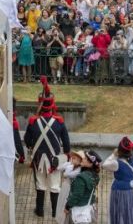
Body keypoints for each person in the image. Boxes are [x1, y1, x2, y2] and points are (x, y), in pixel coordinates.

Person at [24, 77, 71, 218]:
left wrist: (33, 145)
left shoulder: (33, 122)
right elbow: (67, 144)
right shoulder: (59, 122)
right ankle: (55, 212)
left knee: (40, 184)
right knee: (55, 186)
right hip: (54, 159)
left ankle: (39, 211)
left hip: (38, 158)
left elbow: (27, 141)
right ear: (52, 106)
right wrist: (65, 155)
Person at [103, 136, 133, 224]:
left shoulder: (116, 163)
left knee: (122, 213)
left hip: (121, 193)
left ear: (119, 151)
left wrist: (113, 154)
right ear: (130, 150)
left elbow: (104, 165)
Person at [64, 151, 102, 222]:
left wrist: (67, 206)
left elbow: (77, 195)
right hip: (88, 207)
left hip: (78, 210)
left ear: (90, 163)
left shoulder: (81, 177)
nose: (82, 159)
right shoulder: (95, 176)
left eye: (84, 158)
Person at [55, 150, 83, 224]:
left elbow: (66, 174)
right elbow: (59, 168)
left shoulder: (79, 170)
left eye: (76, 158)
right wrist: (68, 163)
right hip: (65, 188)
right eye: (73, 157)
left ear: (80, 161)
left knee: (66, 205)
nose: (73, 158)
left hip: (70, 190)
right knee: (61, 204)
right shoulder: (71, 165)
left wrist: (69, 165)